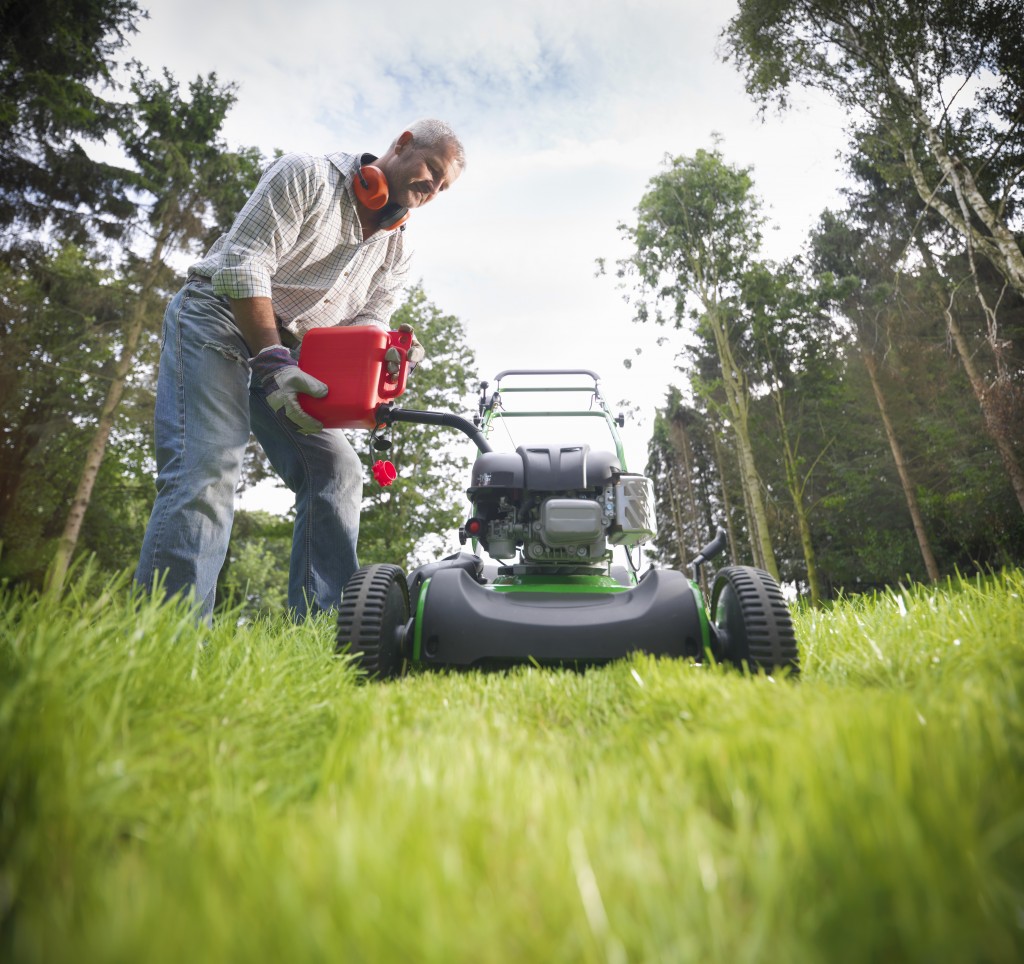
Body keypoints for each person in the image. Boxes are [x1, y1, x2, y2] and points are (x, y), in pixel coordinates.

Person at [134, 119, 465, 620]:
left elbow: (368, 325)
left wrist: (376, 374)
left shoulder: (398, 250)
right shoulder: (306, 177)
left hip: (291, 360)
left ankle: (320, 634)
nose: (431, 189)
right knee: (207, 470)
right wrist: (271, 362)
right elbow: (244, 265)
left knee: (337, 468)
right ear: (401, 145)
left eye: (443, 187)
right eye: (430, 170)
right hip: (217, 318)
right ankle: (167, 642)